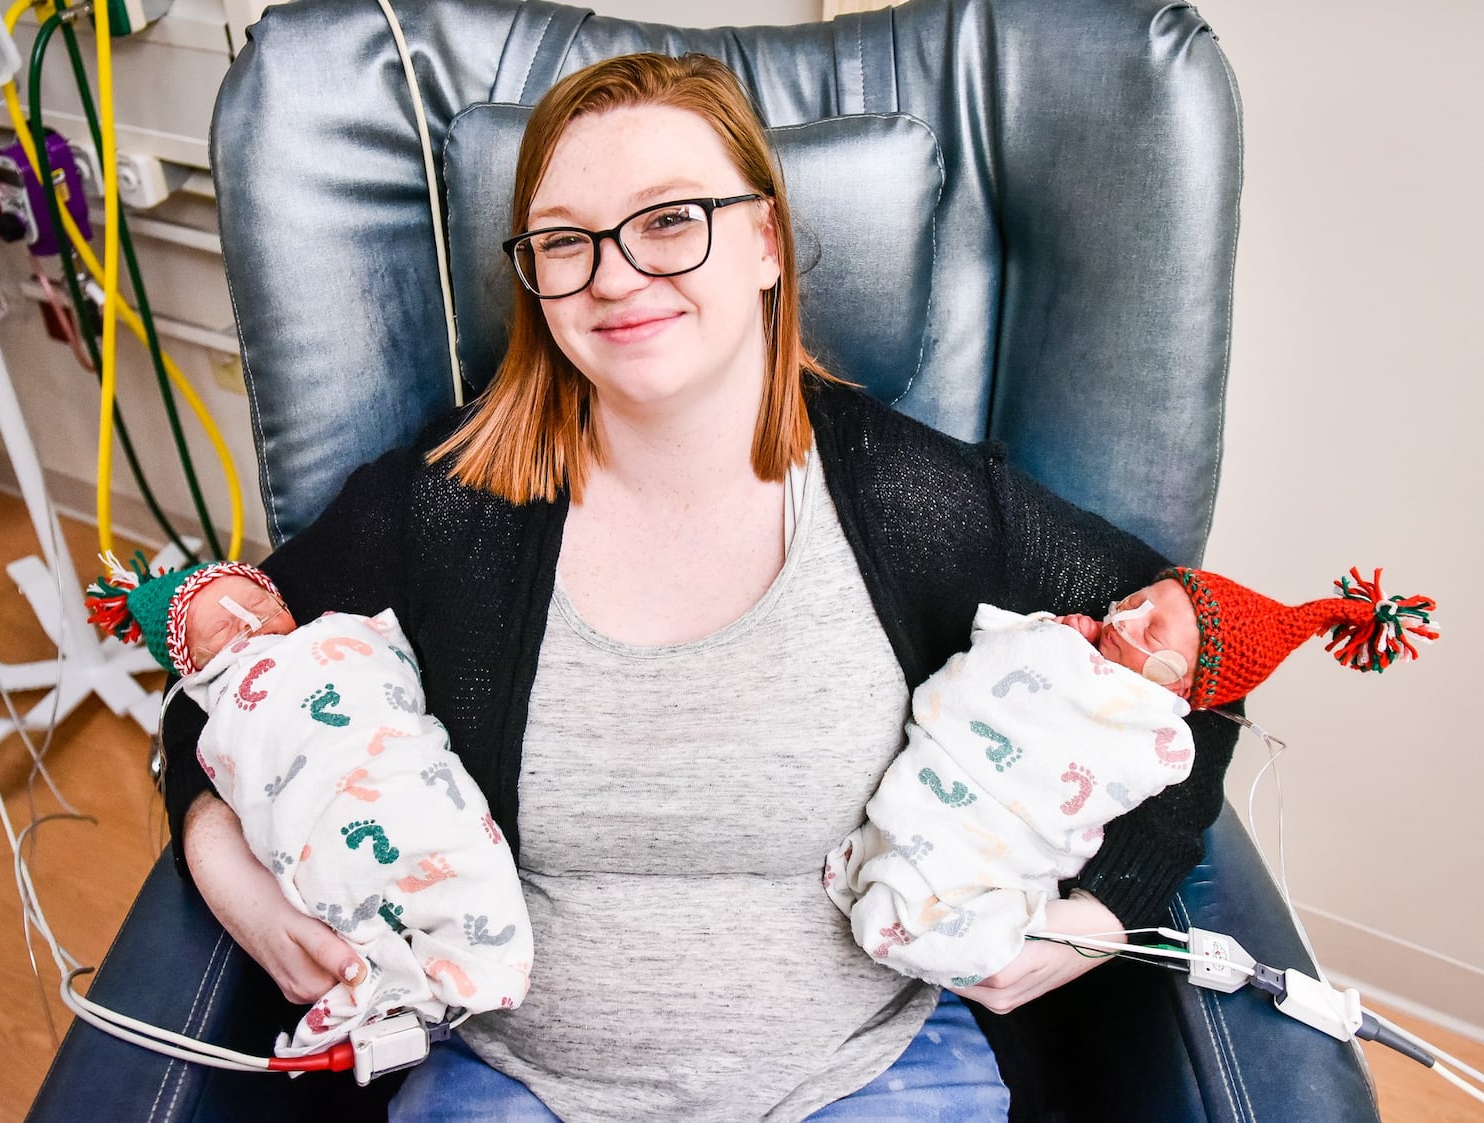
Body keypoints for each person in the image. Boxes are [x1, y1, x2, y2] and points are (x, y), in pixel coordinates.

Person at [158, 50, 1246, 1121]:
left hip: (869, 1072)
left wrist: (1106, 915)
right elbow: (212, 677)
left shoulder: (914, 501)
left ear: (765, 240)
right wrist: (226, 869)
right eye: (565, 240)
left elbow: (1204, 660)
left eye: (672, 218)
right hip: (513, 1078)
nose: (617, 275)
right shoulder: (447, 504)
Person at [824, 567, 1439, 990]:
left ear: (1177, 686)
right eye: (1136, 601)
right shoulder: (1073, 636)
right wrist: (1044, 636)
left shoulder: (1158, 733)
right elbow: (992, 660)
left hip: (1007, 834)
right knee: (910, 844)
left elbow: (1142, 763)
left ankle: (925, 910)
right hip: (948, 781)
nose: (1125, 619)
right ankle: (898, 876)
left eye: (1152, 632)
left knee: (976, 903)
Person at [86, 556, 535, 1056]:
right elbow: (205, 733)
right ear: (197, 667)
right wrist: (224, 871)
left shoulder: (328, 634)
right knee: (345, 881)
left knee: (455, 845)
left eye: (257, 602)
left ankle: (475, 957)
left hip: (395, 767)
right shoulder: (225, 703)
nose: (248, 621)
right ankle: (393, 981)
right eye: (221, 628)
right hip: (316, 817)